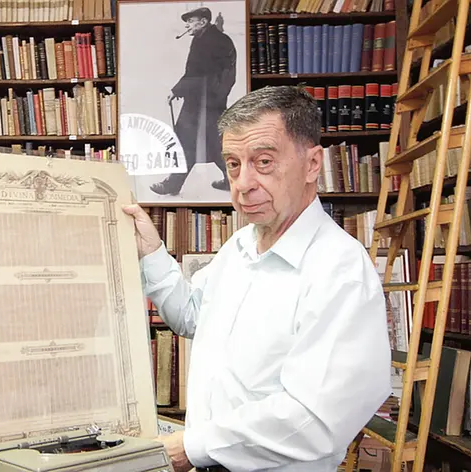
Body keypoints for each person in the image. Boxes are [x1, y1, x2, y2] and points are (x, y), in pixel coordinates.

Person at [124, 86, 392, 471]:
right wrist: (151, 251)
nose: (242, 183)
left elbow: (313, 420)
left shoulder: (340, 270)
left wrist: (191, 447)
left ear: (313, 164)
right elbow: (193, 315)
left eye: (263, 162)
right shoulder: (240, 246)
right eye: (233, 164)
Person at [151, 6, 236, 196]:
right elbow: (217, 75)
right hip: (209, 101)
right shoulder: (214, 39)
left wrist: (177, 90)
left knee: (189, 142)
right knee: (214, 143)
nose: (188, 25)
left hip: (203, 101)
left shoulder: (206, 41)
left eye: (190, 21)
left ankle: (173, 184)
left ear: (203, 22)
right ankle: (232, 180)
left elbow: (197, 74)